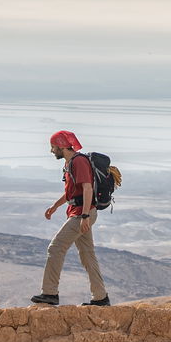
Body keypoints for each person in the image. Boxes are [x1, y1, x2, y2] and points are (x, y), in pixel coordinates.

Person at [30, 129, 110, 306]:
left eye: (53, 147)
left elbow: (87, 188)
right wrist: (55, 206)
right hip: (78, 212)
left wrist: (85, 216)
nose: (51, 151)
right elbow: (70, 193)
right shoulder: (69, 164)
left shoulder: (79, 162)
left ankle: (50, 293)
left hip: (82, 213)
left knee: (55, 248)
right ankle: (100, 297)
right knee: (87, 255)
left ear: (61, 146)